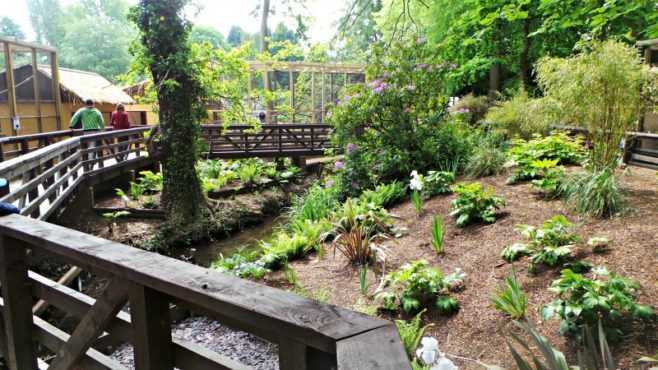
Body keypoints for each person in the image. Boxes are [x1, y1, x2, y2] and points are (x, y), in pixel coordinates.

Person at [69, 99, 105, 167]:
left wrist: (71, 125)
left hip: (86, 131)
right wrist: (103, 130)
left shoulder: (82, 110)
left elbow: (75, 117)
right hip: (96, 131)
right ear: (93, 104)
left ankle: (90, 162)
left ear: (86, 104)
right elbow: (101, 121)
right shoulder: (97, 111)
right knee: (93, 146)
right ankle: (91, 162)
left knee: (89, 146)